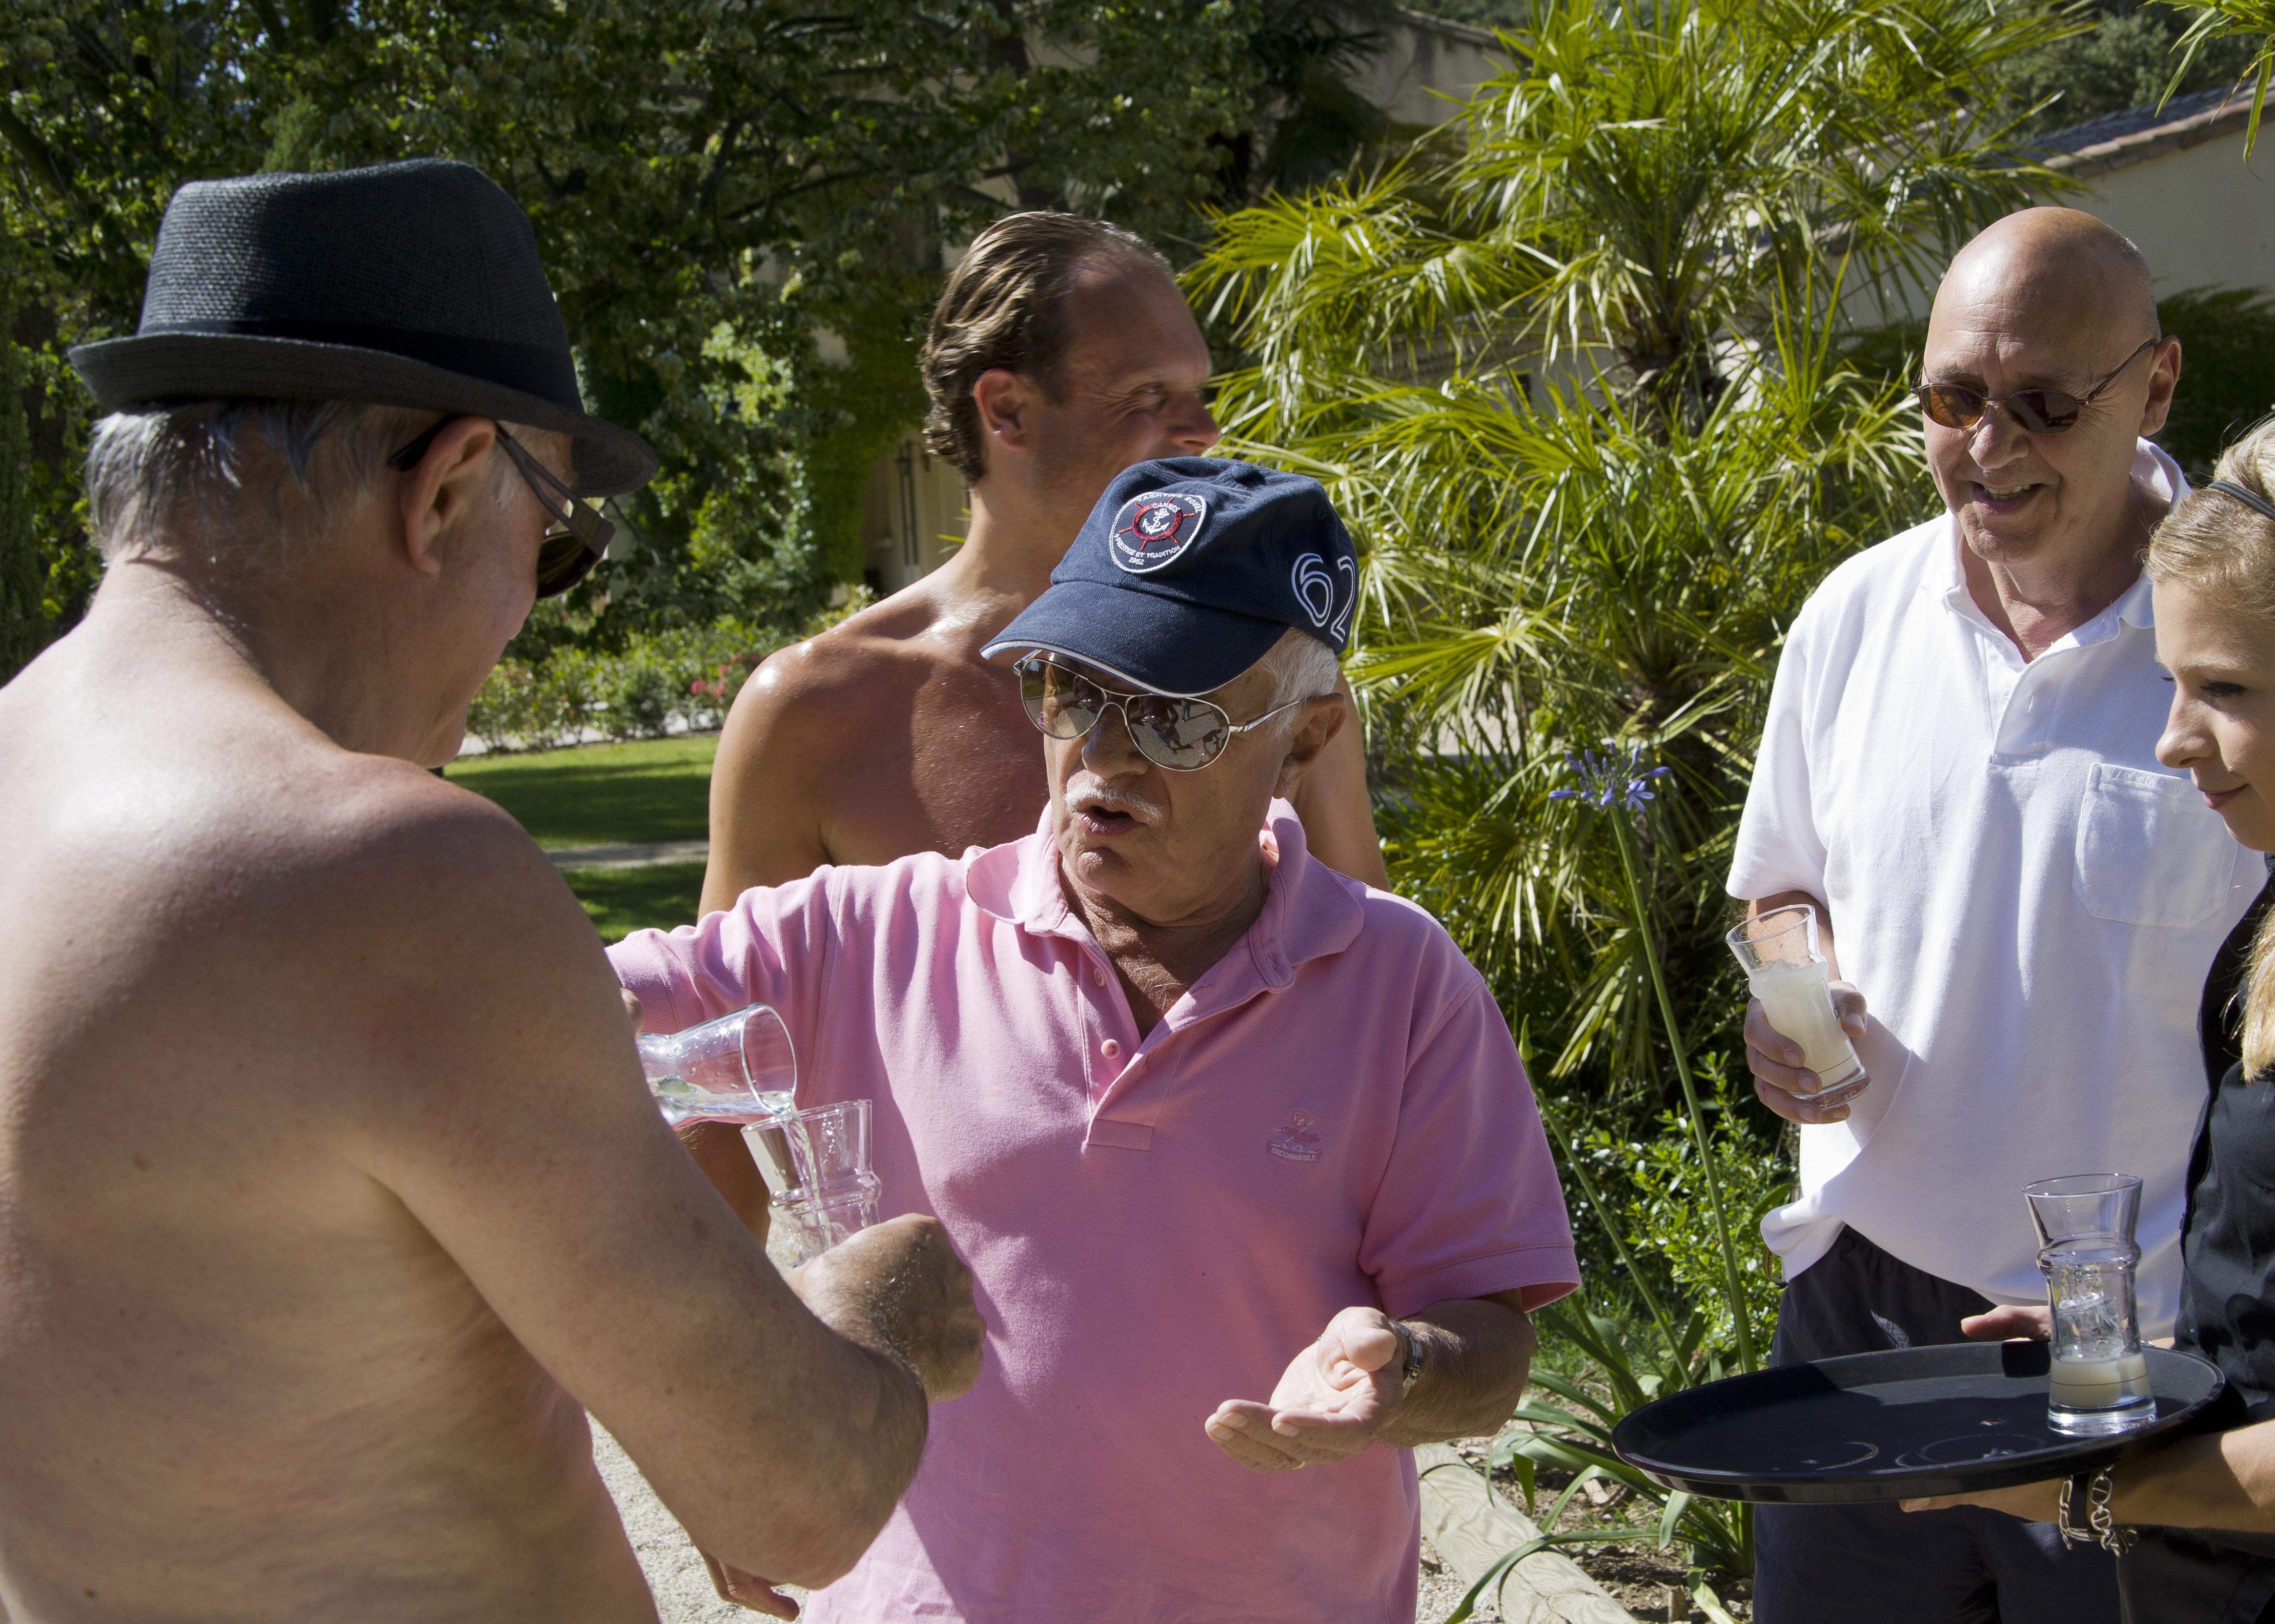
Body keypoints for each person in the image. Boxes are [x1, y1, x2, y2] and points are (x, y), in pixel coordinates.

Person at [0, 160, 982, 1621]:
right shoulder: (381, 869)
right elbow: (801, 1490)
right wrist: (892, 1298)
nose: (536, 607)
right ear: (452, 485)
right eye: (563, 545)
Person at [609, 457, 1580, 1623]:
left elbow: (1491, 1339)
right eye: (1075, 692)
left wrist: (1401, 1370)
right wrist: (704, 1413)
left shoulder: (1401, 983)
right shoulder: (871, 932)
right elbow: (557, 1013)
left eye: (1172, 716)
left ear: (1309, 733)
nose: (1103, 761)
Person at [1727, 204, 2266, 1620]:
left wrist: (2211, 1323)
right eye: (1955, 399)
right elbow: (1780, 882)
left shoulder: (2247, 644)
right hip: (1860, 1303)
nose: (1990, 443)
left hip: (2129, 1336)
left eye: (2041, 401)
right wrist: (1799, 1002)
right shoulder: (1855, 610)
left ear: (2156, 385)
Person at [685, 209, 1389, 1228]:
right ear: (1007, 410)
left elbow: (1374, 999)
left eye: (1200, 394)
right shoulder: (815, 712)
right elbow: (725, 1083)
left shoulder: (1270, 680)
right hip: (950, 1364)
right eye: (1150, 398)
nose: (1201, 434)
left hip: (1263, 1333)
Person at [1911, 407, 2275, 1621]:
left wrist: (2092, 1492)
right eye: (2171, 680)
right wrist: (2167, 1351)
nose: (2174, 738)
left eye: (2227, 688)